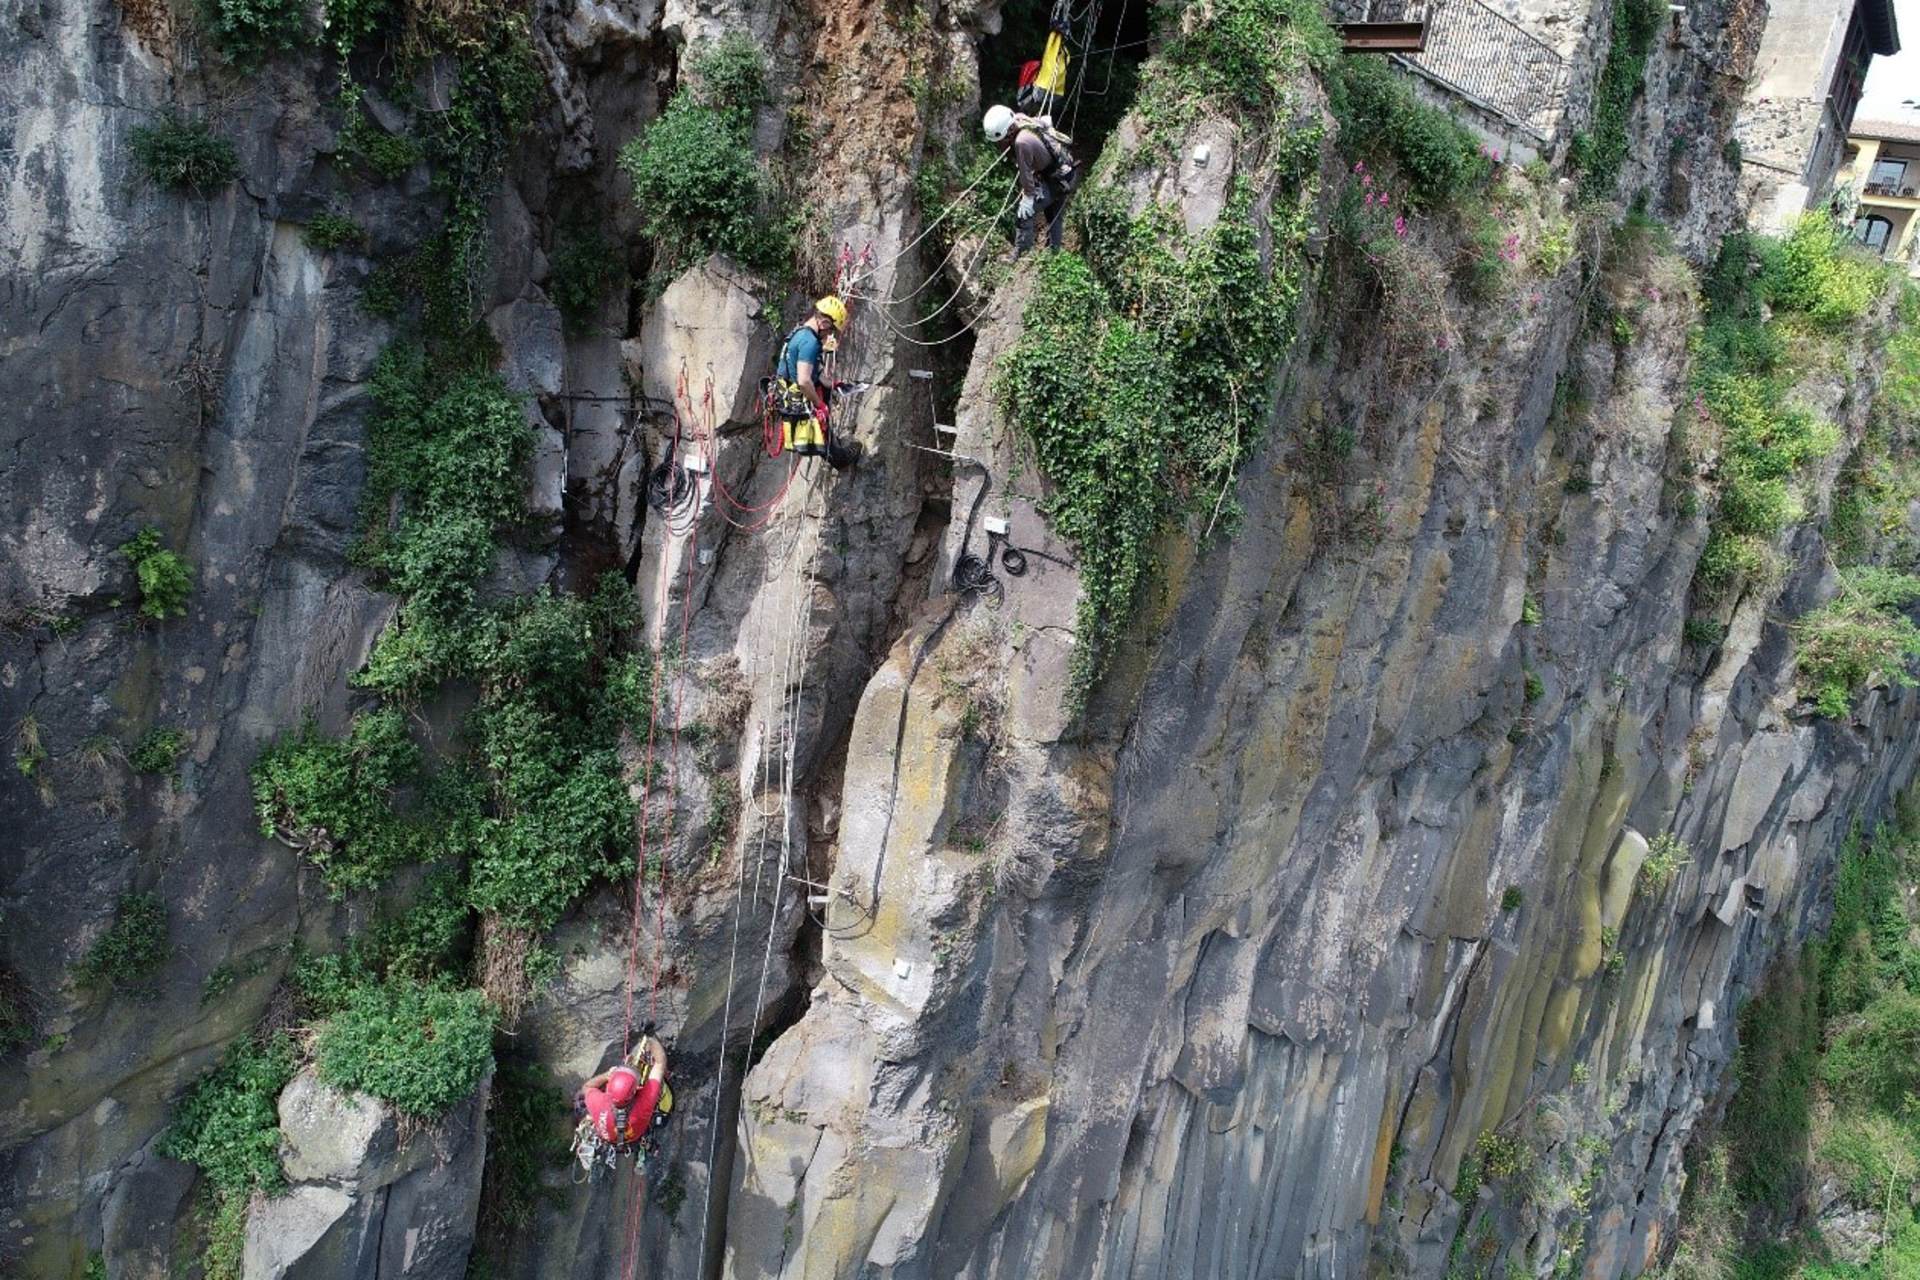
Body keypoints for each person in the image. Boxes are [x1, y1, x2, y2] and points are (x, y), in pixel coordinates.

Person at [773, 296, 861, 470]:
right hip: (799, 395)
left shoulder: (801, 331)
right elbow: (804, 381)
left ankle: (831, 448)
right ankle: (840, 459)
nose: (831, 335)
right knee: (820, 431)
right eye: (832, 331)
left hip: (788, 391)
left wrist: (831, 384)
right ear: (825, 323)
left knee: (820, 430)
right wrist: (819, 404)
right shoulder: (810, 343)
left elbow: (805, 370)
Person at [983, 104, 1078, 257]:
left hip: (1057, 179)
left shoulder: (1021, 143)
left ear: (1008, 132)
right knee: (1053, 214)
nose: (999, 145)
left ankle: (1021, 255)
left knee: (1025, 215)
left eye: (999, 141)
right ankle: (1053, 253)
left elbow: (1025, 174)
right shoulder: (1019, 118)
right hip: (1064, 171)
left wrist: (1028, 198)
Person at [579, 1030, 670, 1149]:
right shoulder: (644, 1104)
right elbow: (660, 1063)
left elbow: (586, 1087)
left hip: (613, 1136)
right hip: (633, 1135)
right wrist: (650, 1036)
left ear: (608, 1087)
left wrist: (606, 1075)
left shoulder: (599, 1103)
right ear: (634, 1091)